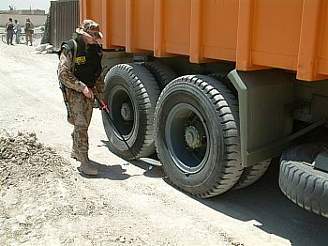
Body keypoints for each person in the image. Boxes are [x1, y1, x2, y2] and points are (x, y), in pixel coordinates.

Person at [57, 20, 105, 176]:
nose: (95, 38)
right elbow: (63, 74)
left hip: (89, 91)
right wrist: (81, 87)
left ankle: (75, 150)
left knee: (84, 124)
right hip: (74, 90)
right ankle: (84, 161)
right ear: (84, 34)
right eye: (92, 36)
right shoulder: (71, 48)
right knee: (81, 124)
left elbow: (97, 74)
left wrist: (101, 95)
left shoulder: (95, 50)